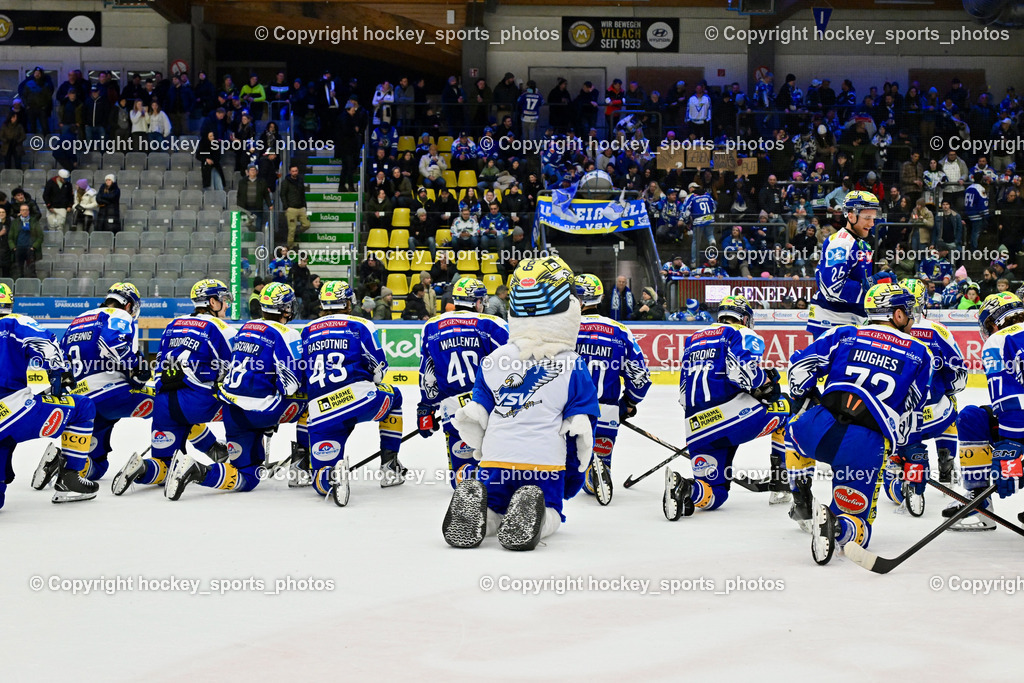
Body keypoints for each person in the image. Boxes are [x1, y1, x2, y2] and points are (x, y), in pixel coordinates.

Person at [445, 257, 600, 550]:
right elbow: (581, 422)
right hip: (543, 461)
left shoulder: (495, 359)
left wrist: (477, 443)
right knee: (551, 508)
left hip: (495, 458)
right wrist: (576, 470)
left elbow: (478, 411)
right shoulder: (571, 364)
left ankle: (487, 517)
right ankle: (536, 518)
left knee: (494, 502)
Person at [787, 283, 933, 564]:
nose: (913, 319)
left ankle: (800, 497)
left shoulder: (845, 332)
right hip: (864, 445)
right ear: (898, 315)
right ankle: (838, 525)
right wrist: (905, 451)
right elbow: (913, 407)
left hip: (814, 430)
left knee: (788, 424)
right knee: (859, 529)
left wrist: (806, 403)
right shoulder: (920, 352)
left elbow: (799, 368)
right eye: (910, 313)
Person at [162, 283, 309, 500]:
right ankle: (301, 468)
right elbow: (290, 384)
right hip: (262, 412)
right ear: (285, 308)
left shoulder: (246, 328)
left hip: (232, 412)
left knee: (247, 476)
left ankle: (197, 470)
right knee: (314, 403)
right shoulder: (287, 333)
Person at [664, 295, 790, 520]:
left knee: (716, 495)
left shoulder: (693, 339)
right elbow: (744, 373)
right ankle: (781, 484)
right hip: (732, 420)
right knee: (788, 408)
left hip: (696, 428)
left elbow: (683, 392)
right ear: (744, 318)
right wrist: (766, 383)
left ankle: (686, 488)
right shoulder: (740, 332)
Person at [111, 281, 237, 495]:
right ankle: (240, 454)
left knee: (165, 464)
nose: (226, 306)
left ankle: (142, 468)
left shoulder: (173, 324)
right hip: (197, 402)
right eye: (223, 301)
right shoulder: (222, 329)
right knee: (243, 404)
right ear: (212, 302)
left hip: (164, 404)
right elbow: (236, 369)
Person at [298, 280, 406, 504]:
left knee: (320, 479)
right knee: (395, 398)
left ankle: (332, 477)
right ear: (348, 303)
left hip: (321, 412)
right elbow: (379, 368)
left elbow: (303, 372)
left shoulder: (308, 330)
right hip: (360, 399)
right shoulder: (360, 325)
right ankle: (390, 467)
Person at [0, 284, 97, 507]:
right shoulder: (14, 322)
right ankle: (70, 478)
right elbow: (48, 346)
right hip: (9, 407)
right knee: (83, 407)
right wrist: (59, 374)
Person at [879, 279, 966, 514]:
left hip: (897, 422)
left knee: (889, 441)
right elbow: (959, 375)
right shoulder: (938, 330)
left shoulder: (877, 332)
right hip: (936, 416)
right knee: (951, 402)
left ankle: (898, 478)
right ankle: (946, 460)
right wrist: (942, 391)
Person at [942, 292, 1024, 528]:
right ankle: (979, 500)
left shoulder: (998, 340)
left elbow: (1010, 398)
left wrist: (1010, 443)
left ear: (992, 322)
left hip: (1018, 422)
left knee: (970, 418)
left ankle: (979, 502)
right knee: (974, 417)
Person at [418, 277, 509, 489]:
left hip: (453, 408)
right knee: (502, 461)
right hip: (488, 406)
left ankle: (468, 475)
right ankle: (494, 477)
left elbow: (427, 374)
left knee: (460, 477)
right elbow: (512, 364)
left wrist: (425, 408)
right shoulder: (492, 324)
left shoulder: (431, 327)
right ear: (477, 302)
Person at [574, 274, 652, 505]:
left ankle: (576, 475)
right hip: (605, 411)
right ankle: (596, 474)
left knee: (566, 459)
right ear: (600, 297)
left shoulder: (565, 329)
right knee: (599, 458)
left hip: (568, 410)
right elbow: (640, 376)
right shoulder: (619, 331)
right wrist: (629, 402)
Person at [806, 191, 890, 338]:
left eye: (873, 218)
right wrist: (870, 286)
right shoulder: (841, 242)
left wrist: (878, 287)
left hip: (850, 321)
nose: (872, 223)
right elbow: (832, 288)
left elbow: (861, 283)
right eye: (867, 218)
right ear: (850, 215)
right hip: (833, 322)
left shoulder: (862, 244)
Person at [280, 165, 310, 249]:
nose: (294, 172)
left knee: (307, 224)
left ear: (298, 171)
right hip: (291, 208)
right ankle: (290, 247)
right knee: (291, 229)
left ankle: (297, 232)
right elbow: (282, 195)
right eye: (293, 171)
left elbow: (302, 194)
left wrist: (305, 206)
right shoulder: (285, 182)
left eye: (296, 171)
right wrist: (286, 207)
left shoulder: (300, 181)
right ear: (290, 172)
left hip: (301, 208)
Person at [10, 203, 42, 278]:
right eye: (23, 210)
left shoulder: (34, 222)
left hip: (30, 249)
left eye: (26, 210)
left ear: (29, 211)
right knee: (18, 272)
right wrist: (13, 247)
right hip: (18, 249)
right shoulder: (15, 222)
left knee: (31, 271)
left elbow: (40, 236)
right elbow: (10, 237)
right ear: (20, 211)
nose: (25, 212)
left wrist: (34, 247)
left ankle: (33, 288)